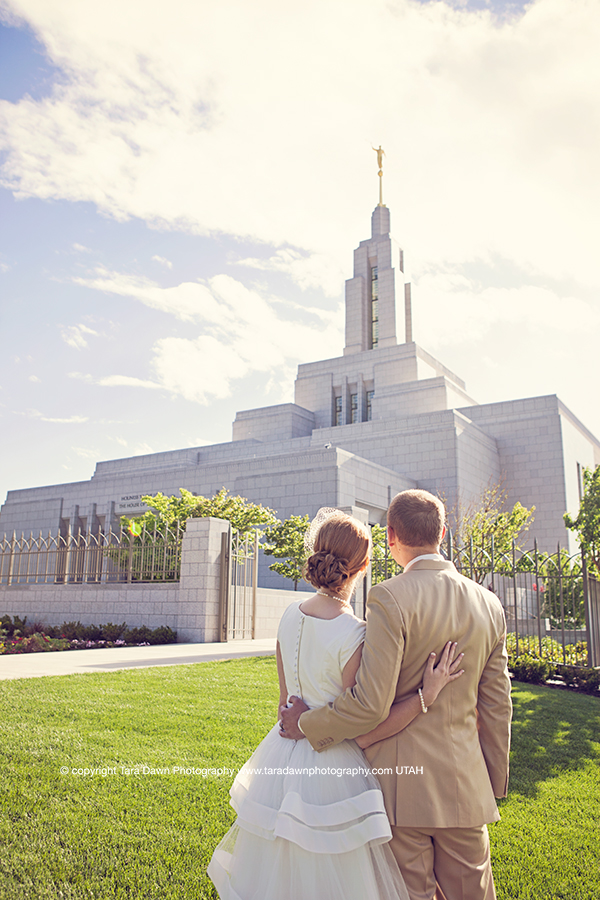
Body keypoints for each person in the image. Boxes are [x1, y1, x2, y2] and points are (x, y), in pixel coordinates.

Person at [208, 508, 464, 900]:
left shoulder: (289, 615)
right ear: (362, 567)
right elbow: (366, 724)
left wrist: (301, 722)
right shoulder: (355, 633)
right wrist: (426, 696)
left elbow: (285, 704)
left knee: (279, 870)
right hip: (332, 768)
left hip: (281, 756)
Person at [281, 490, 512, 900]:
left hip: (400, 788)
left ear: (390, 536)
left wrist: (306, 723)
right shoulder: (489, 604)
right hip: (466, 788)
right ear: (443, 532)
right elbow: (497, 707)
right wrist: (490, 783)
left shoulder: (389, 596)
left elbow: (370, 703)